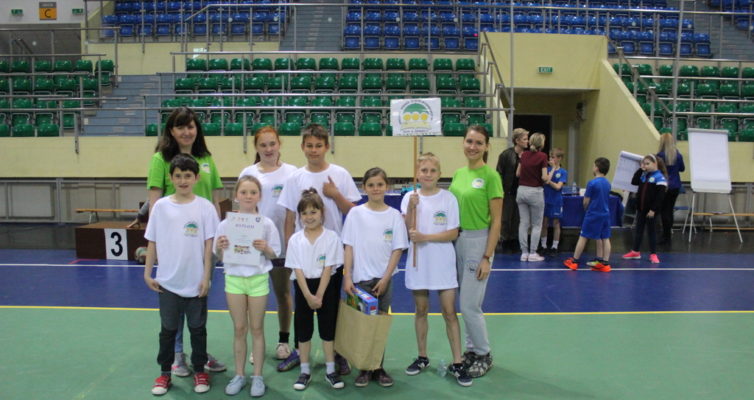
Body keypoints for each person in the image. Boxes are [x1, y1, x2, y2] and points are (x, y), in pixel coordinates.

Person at [145, 107, 226, 376]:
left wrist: (216, 241)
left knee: (198, 297)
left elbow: (215, 200)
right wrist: (158, 246)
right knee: (175, 300)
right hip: (175, 245)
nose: (186, 132)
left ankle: (199, 353)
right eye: (180, 127)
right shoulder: (160, 159)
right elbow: (155, 204)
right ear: (171, 131)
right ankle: (178, 354)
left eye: (190, 126)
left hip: (203, 243)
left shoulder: (205, 158)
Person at [277, 124, 360, 374]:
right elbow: (289, 217)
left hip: (332, 254)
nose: (314, 150)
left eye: (319, 146)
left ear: (327, 147)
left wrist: (335, 194)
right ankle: (299, 351)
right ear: (303, 147)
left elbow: (354, 213)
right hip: (304, 255)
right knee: (302, 308)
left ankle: (337, 353)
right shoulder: (295, 178)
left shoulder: (340, 174)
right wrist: (291, 251)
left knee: (331, 308)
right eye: (310, 146)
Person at [401, 153, 472, 387]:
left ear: (439, 174)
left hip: (443, 263)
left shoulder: (448, 198)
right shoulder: (410, 197)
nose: (428, 174)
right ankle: (422, 357)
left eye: (432, 171)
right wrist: (411, 208)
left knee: (449, 312)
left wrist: (426, 237)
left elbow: (453, 233)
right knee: (421, 310)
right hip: (419, 263)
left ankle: (458, 362)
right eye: (424, 170)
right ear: (417, 174)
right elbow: (407, 228)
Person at [215, 176, 281, 397]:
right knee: (239, 329)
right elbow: (219, 256)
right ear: (236, 196)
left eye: (253, 192)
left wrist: (265, 248)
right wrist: (220, 246)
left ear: (259, 196)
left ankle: (258, 377)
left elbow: (275, 253)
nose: (248, 196)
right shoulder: (225, 224)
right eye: (244, 192)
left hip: (258, 280)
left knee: (257, 329)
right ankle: (239, 375)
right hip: (234, 280)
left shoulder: (266, 224)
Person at [342, 167, 409, 388]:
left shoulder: (394, 216)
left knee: (379, 324)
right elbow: (348, 246)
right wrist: (347, 276)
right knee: (363, 326)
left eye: (380, 184)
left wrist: (386, 278)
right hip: (360, 280)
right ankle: (364, 367)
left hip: (384, 281)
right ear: (364, 188)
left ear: (386, 187)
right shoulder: (355, 214)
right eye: (371, 185)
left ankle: (378, 367)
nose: (376, 189)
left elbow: (397, 249)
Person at [238, 126, 298, 364]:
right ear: (256, 147)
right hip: (254, 247)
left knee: (283, 293)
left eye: (272, 143)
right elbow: (242, 208)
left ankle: (284, 341)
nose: (268, 149)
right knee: (255, 298)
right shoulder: (248, 172)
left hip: (282, 245)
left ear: (279, 144)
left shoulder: (292, 173)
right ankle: (257, 344)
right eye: (263, 145)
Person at [449, 125, 502, 378]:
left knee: (470, 305)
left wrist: (486, 257)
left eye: (479, 142)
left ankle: (483, 353)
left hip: (478, 242)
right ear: (463, 143)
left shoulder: (491, 177)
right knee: (464, 302)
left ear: (487, 146)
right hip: (456, 241)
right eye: (469, 141)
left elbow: (497, 221)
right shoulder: (459, 174)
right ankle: (471, 350)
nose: (473, 146)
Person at [286, 189, 345, 391]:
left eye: (313, 212)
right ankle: (304, 371)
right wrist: (308, 296)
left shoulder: (332, 238)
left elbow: (329, 268)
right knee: (303, 331)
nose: (309, 217)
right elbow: (297, 269)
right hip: (303, 288)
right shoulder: (295, 240)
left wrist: (319, 295)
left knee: (328, 330)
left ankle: (330, 370)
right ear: (299, 216)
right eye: (304, 213)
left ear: (322, 212)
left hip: (325, 288)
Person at [563, 157, 613, 272]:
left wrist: (586, 208)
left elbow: (586, 201)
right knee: (605, 237)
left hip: (593, 213)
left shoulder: (592, 183)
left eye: (594, 165)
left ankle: (574, 261)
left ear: (597, 168)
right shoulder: (608, 183)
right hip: (605, 214)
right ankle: (604, 263)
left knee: (583, 236)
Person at [623, 155, 668, 264]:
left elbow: (660, 197)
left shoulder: (660, 178)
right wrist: (640, 169)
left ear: (655, 164)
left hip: (651, 211)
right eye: (644, 164)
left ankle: (653, 254)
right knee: (638, 230)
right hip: (641, 209)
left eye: (647, 164)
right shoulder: (644, 175)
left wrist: (653, 210)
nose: (645, 166)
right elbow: (634, 181)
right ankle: (635, 251)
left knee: (651, 232)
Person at [515, 132, 548, 262]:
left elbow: (518, 173)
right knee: (536, 224)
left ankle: (524, 253)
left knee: (523, 223)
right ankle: (533, 252)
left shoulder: (524, 155)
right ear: (542, 144)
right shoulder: (543, 156)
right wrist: (550, 175)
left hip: (521, 190)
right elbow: (544, 177)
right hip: (535, 192)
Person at [496, 128, 528, 252]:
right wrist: (500, 190)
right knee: (505, 218)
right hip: (507, 191)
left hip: (522, 191)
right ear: (517, 141)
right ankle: (504, 241)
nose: (527, 141)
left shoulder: (527, 156)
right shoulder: (506, 155)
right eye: (525, 139)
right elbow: (499, 173)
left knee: (518, 219)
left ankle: (515, 240)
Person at [656, 133, 685, 244]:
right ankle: (668, 234)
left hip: (664, 185)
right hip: (676, 185)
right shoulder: (678, 155)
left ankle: (665, 235)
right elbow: (682, 169)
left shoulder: (660, 156)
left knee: (663, 211)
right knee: (669, 210)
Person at [540, 148, 568, 254]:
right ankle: (543, 245)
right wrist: (551, 170)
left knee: (556, 223)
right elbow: (544, 181)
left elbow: (558, 187)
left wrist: (549, 182)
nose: (551, 159)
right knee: (544, 223)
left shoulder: (563, 172)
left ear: (559, 158)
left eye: (553, 157)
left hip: (556, 201)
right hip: (545, 199)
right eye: (550, 157)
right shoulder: (546, 170)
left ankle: (555, 246)